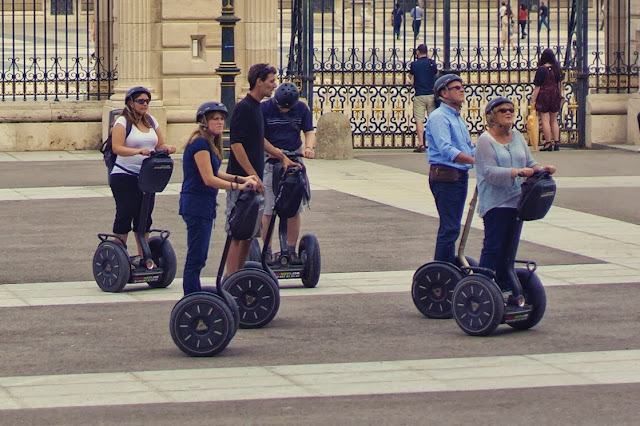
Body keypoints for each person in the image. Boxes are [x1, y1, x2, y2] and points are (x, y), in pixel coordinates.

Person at [475, 97, 556, 289]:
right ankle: (481, 286)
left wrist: (541, 169)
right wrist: (516, 172)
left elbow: (529, 162)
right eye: (503, 110)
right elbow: (489, 172)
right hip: (496, 204)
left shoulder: (517, 136)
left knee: (508, 250)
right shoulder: (485, 140)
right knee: (494, 247)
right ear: (492, 116)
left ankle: (504, 286)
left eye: (511, 110)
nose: (508, 113)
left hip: (517, 202)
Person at [180, 102, 258, 296]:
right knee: (196, 257)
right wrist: (238, 187)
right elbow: (209, 179)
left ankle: (194, 295)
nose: (220, 122)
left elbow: (216, 173)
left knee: (200, 256)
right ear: (204, 121)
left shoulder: (209, 143)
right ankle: (191, 297)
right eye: (215, 119)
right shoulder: (199, 143)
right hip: (196, 204)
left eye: (222, 118)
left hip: (204, 205)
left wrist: (242, 179)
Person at [225, 63, 295, 276]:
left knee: (249, 234)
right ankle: (230, 277)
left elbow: (260, 140)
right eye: (271, 81)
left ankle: (239, 276)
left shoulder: (257, 107)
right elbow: (236, 144)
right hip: (241, 181)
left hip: (254, 182)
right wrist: (252, 175)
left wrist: (282, 156)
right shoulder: (244, 108)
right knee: (236, 233)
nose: (274, 86)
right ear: (259, 82)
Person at [109, 86, 177, 264]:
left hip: (147, 177)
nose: (145, 104)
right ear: (131, 103)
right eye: (140, 101)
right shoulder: (122, 122)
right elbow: (117, 148)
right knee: (125, 215)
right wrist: (138, 151)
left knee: (144, 217)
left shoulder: (151, 121)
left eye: (147, 101)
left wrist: (167, 148)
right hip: (124, 176)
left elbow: (160, 144)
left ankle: (144, 258)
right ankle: (120, 258)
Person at [260, 82, 315, 265]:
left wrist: (308, 148)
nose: (284, 110)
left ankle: (291, 250)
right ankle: (267, 251)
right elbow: (260, 137)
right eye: (281, 107)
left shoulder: (301, 108)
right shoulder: (264, 108)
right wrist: (276, 153)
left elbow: (309, 131)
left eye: (288, 108)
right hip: (271, 161)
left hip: (294, 159)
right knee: (269, 207)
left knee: (294, 208)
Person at [425, 74, 475, 264]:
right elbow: (446, 149)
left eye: (462, 87)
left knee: (453, 227)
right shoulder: (439, 117)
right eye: (456, 88)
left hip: (459, 176)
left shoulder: (456, 118)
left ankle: (448, 266)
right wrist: (473, 160)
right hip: (446, 177)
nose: (461, 90)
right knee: (449, 228)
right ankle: (441, 269)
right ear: (444, 94)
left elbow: (468, 147)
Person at [531, 48, 564, 151]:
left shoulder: (541, 70)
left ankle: (548, 143)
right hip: (554, 94)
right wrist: (560, 96)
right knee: (554, 120)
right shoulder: (557, 69)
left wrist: (533, 100)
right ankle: (557, 142)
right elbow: (560, 85)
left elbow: (537, 86)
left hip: (544, 94)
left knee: (545, 120)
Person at [408, 44, 438, 152]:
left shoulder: (414, 64)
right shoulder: (431, 63)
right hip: (431, 94)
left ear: (418, 52)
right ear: (427, 52)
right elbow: (436, 74)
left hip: (419, 94)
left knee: (419, 120)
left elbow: (411, 76)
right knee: (433, 119)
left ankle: (421, 143)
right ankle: (434, 143)